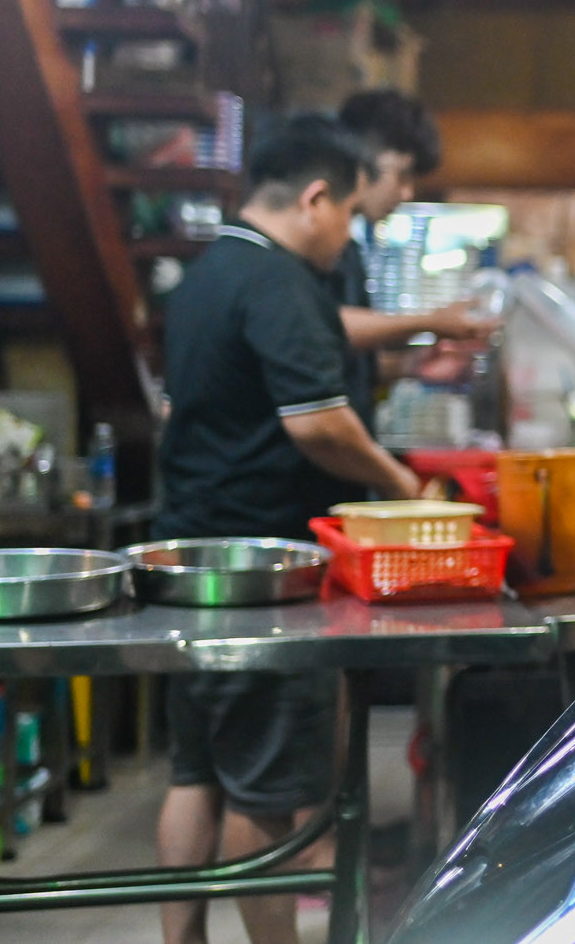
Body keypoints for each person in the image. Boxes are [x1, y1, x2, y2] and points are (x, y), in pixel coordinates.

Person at [153, 122, 424, 944]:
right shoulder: (280, 280)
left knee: (197, 775)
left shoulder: (207, 273)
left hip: (190, 555)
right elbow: (320, 426)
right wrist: (401, 485)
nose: (348, 235)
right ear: (315, 199)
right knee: (263, 797)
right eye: (349, 214)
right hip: (267, 573)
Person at [330, 92, 497, 428]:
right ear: (361, 162)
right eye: (401, 176)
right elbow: (323, 328)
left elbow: (345, 368)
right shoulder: (309, 254)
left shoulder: (349, 251)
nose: (406, 193)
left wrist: (413, 365)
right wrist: (430, 321)